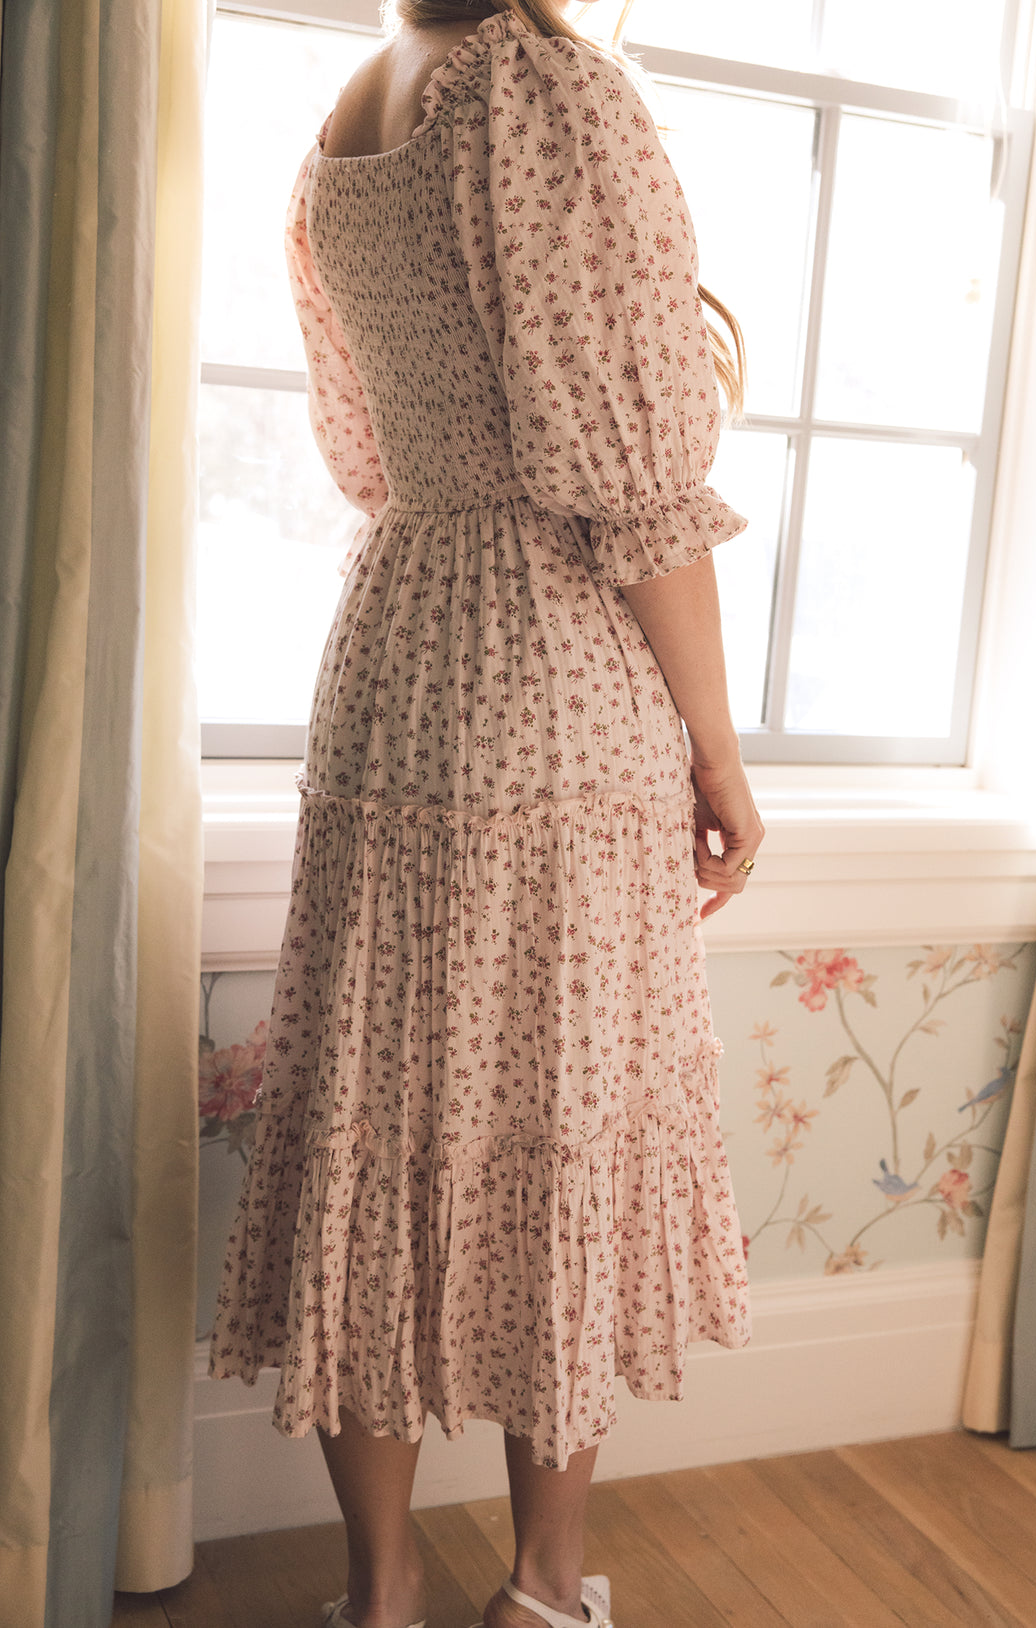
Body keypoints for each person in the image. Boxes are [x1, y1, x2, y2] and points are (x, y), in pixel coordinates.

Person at [208, 2, 765, 1625]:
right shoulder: (543, 90)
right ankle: (537, 1590)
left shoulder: (348, 115)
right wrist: (716, 755)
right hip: (551, 661)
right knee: (560, 1121)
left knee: (384, 1119)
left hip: (398, 640)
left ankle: (379, 1600)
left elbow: (360, 444)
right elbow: (638, 477)